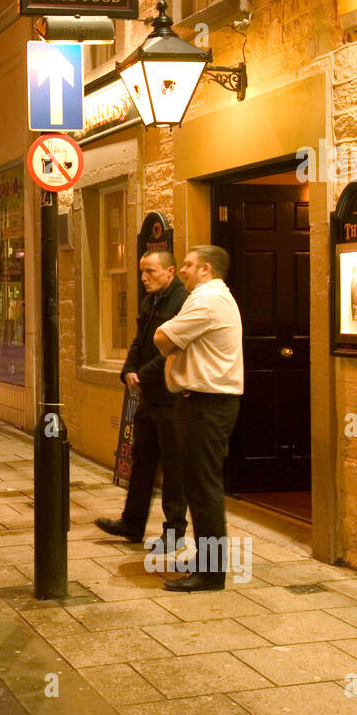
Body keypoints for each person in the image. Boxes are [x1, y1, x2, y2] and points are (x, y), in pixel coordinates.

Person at [154, 245, 244, 592]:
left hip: (207, 405)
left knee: (203, 488)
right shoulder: (212, 298)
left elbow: (163, 338)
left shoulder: (207, 299)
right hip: (203, 403)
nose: (183, 271)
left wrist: (172, 350)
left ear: (206, 269)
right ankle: (207, 558)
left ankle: (210, 572)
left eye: (189, 265)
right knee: (197, 485)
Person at [95, 250, 189, 553]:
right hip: (149, 397)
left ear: (170, 271)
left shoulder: (182, 302)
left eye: (150, 271)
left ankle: (174, 532)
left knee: (174, 469)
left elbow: (170, 350)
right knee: (142, 463)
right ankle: (132, 523)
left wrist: (142, 375)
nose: (144, 277)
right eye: (141, 272)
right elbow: (139, 341)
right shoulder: (151, 301)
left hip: (171, 397)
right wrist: (128, 370)